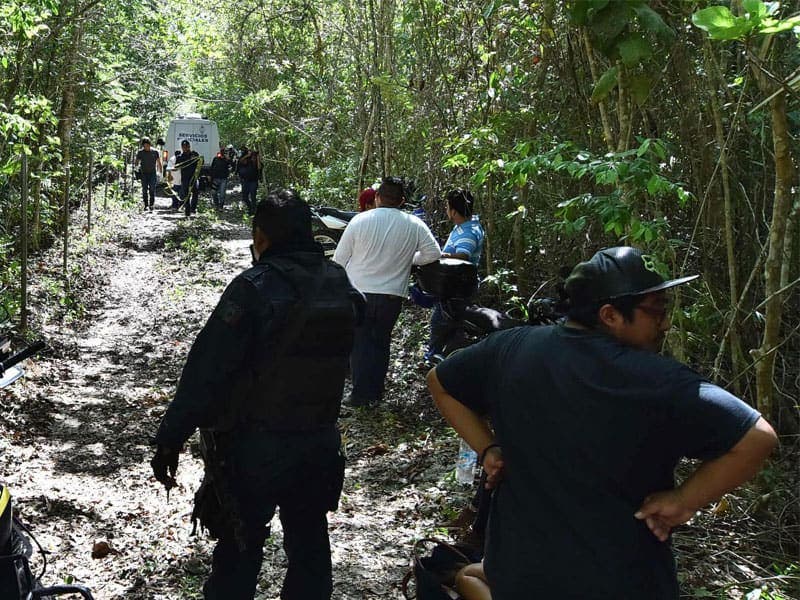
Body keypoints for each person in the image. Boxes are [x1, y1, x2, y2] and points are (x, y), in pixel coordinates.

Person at [427, 246, 777, 600]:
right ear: (610, 314)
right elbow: (757, 438)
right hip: (621, 578)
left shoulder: (511, 347)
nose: (665, 323)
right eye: (655, 311)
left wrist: (487, 447)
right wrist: (684, 500)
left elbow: (440, 382)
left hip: (519, 570)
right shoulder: (658, 380)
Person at [151, 190, 365, 600]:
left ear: (261, 236)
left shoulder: (253, 287)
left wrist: (170, 436)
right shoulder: (339, 283)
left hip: (255, 447)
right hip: (318, 444)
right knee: (310, 548)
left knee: (240, 547)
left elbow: (206, 371)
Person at [333, 176, 441, 407]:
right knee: (381, 341)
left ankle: (361, 395)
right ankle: (376, 391)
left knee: (360, 342)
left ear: (378, 197)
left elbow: (339, 259)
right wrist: (410, 258)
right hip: (392, 295)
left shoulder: (360, 221)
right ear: (402, 201)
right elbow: (433, 254)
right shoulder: (414, 224)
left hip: (358, 291)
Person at [425, 188, 485, 362]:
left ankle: (435, 360)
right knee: (451, 325)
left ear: (453, 210)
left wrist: (440, 255)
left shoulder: (469, 231)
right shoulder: (465, 227)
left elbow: (464, 254)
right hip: (455, 287)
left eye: (447, 207)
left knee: (442, 325)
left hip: (459, 289)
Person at [134, 137, 162, 211]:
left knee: (152, 189)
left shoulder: (155, 152)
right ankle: (146, 205)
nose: (146, 147)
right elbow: (137, 161)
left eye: (147, 145)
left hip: (153, 173)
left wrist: (160, 173)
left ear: (150, 144)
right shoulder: (141, 152)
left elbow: (159, 163)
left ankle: (151, 204)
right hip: (144, 174)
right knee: (144, 190)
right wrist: (136, 168)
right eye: (144, 146)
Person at [176, 140, 202, 215]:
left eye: (186, 146)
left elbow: (201, 162)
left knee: (196, 192)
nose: (185, 148)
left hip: (194, 177)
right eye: (183, 147)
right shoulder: (180, 156)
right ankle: (187, 211)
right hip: (185, 179)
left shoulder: (194, 154)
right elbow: (177, 166)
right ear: (182, 147)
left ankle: (193, 209)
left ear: (189, 146)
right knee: (186, 195)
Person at [238, 148, 261, 214]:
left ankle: (253, 210)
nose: (253, 158)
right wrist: (248, 155)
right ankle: (250, 207)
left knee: (253, 196)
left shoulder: (257, 162)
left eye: (254, 156)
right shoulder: (247, 161)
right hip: (246, 181)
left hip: (254, 181)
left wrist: (258, 157)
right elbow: (240, 161)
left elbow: (259, 167)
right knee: (245, 197)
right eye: (252, 156)